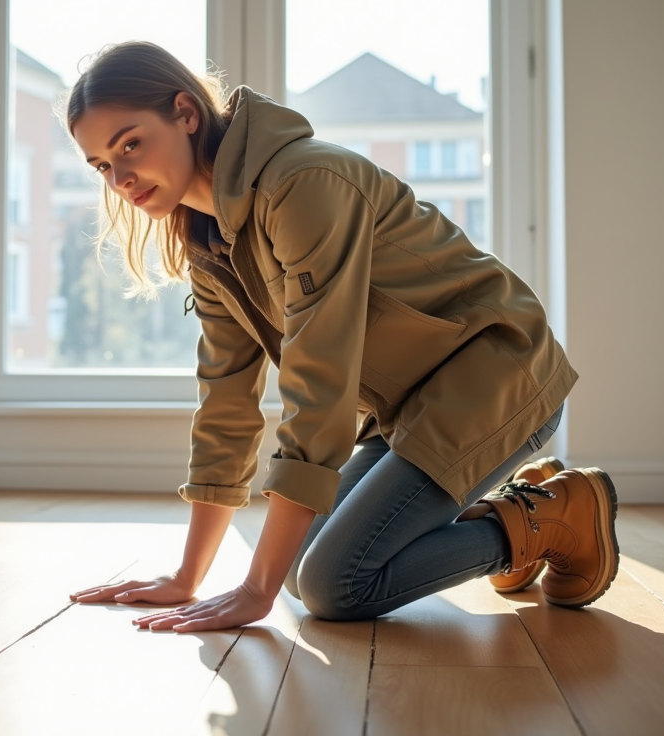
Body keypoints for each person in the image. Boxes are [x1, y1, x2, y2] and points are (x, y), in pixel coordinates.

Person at [66, 41, 619, 632]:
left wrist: (255, 589)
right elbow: (226, 401)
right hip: (405, 413)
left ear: (185, 113)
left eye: (130, 143)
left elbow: (319, 381)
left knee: (336, 585)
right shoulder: (208, 241)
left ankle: (549, 518)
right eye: (101, 164)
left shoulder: (303, 184)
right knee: (303, 566)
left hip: (500, 381)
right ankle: (517, 500)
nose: (121, 178)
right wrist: (186, 577)